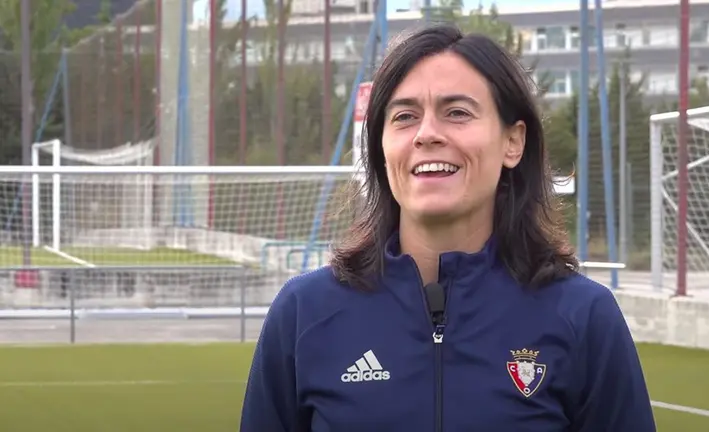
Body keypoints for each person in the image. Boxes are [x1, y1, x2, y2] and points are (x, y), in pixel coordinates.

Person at [240, 24, 657, 432]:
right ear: (381, 148)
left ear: (513, 142)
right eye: (404, 116)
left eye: (457, 112)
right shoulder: (305, 312)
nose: (426, 134)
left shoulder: (583, 316)